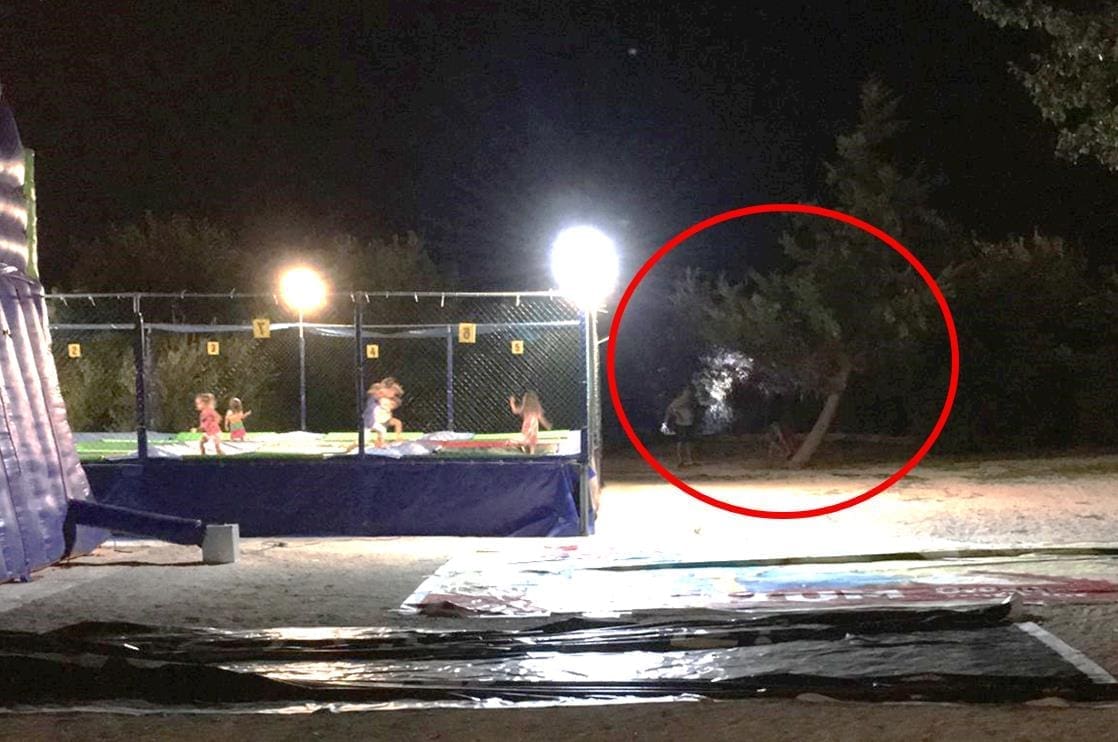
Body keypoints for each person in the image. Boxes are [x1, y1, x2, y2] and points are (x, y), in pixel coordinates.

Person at [350, 377, 404, 449]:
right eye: (393, 393)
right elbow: (372, 392)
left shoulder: (384, 399)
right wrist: (381, 391)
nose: (393, 396)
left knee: (382, 430)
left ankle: (380, 443)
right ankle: (352, 447)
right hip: (369, 421)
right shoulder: (377, 394)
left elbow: (392, 402)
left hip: (377, 420)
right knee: (363, 439)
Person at [663, 386, 697, 467]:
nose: (688, 393)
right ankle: (680, 460)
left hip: (688, 423)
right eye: (687, 391)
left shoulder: (688, 401)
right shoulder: (678, 401)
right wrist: (677, 416)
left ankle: (689, 460)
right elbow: (669, 410)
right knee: (680, 441)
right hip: (681, 424)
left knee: (687, 442)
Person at [509, 391, 552, 455]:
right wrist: (547, 425)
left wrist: (512, 402)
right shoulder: (536, 409)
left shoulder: (524, 408)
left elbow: (515, 411)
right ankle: (531, 452)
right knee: (532, 441)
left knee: (525, 438)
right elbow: (541, 419)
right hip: (533, 426)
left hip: (527, 425)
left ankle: (522, 447)